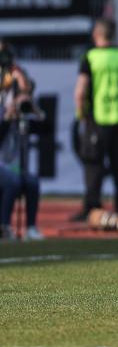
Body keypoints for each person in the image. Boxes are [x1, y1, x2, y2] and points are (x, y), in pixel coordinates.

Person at [72, 20, 118, 222]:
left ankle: (92, 209)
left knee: (93, 166)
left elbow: (81, 91)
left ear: (96, 34)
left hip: (97, 120)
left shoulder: (91, 57)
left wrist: (81, 115)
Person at [0, 43, 42, 241]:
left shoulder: (19, 104)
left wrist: (32, 108)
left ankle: (31, 228)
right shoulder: (4, 105)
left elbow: (44, 129)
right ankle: (4, 226)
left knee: (31, 181)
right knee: (12, 181)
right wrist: (7, 119)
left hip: (10, 165)